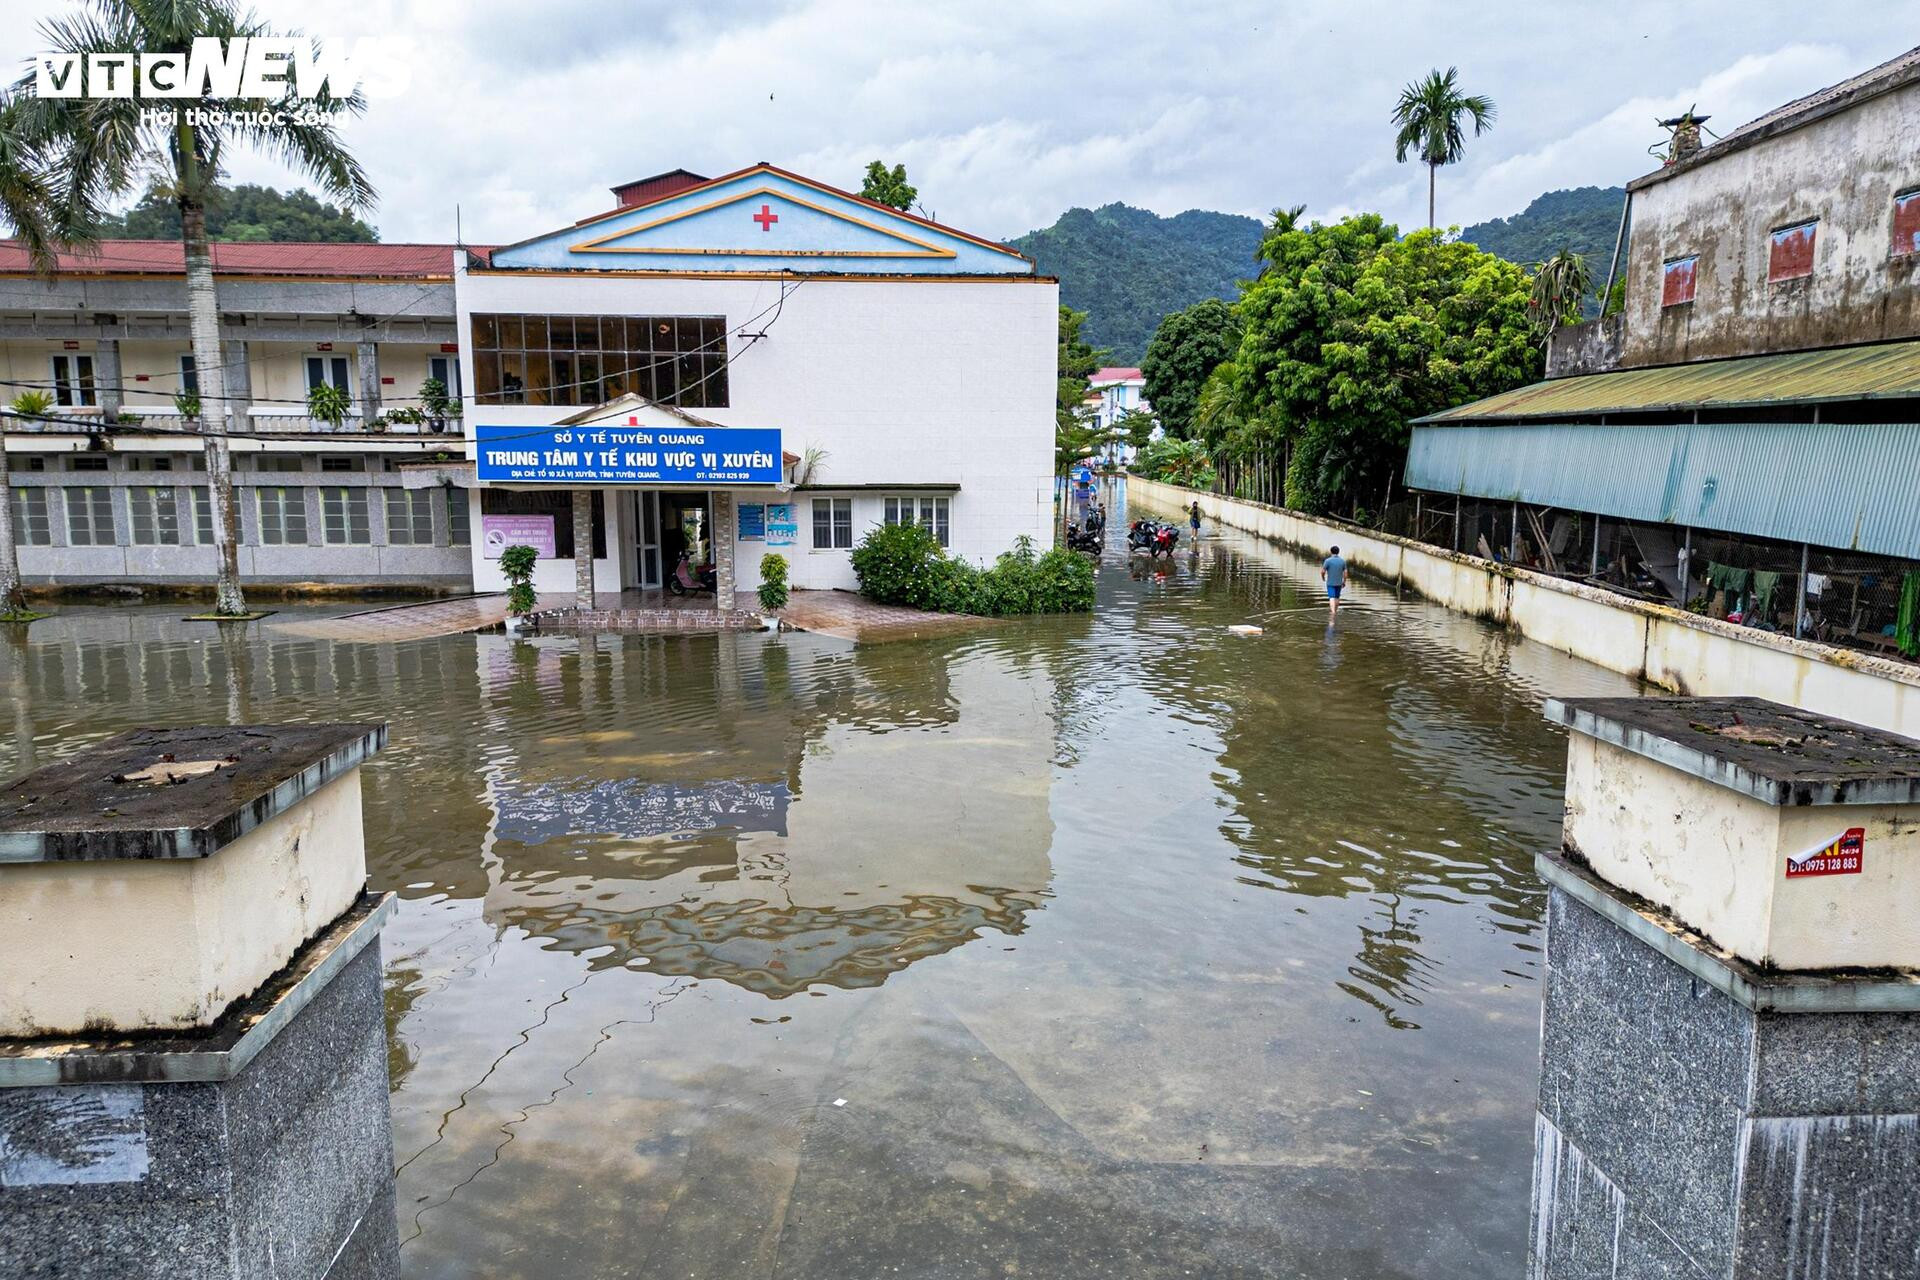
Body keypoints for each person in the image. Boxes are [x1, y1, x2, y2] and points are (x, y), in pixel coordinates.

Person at [1322, 544, 1348, 618]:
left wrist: (1323, 577)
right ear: (1338, 552)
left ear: (1331, 552)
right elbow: (1345, 573)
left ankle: (1333, 613)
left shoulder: (1327, 561)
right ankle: (1335, 611)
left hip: (1330, 583)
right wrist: (1344, 582)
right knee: (1337, 597)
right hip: (1339, 583)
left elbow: (1323, 571)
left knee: (1331, 597)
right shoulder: (1342, 561)